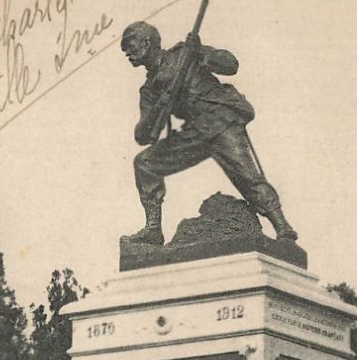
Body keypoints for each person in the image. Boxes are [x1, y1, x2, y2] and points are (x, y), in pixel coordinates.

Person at [121, 21, 298, 245]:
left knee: (247, 176)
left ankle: (282, 227)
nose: (128, 53)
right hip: (195, 133)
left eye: (131, 46)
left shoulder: (185, 53)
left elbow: (231, 65)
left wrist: (201, 53)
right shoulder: (149, 89)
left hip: (220, 120)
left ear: (146, 42)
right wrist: (161, 105)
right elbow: (142, 136)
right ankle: (153, 228)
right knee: (144, 163)